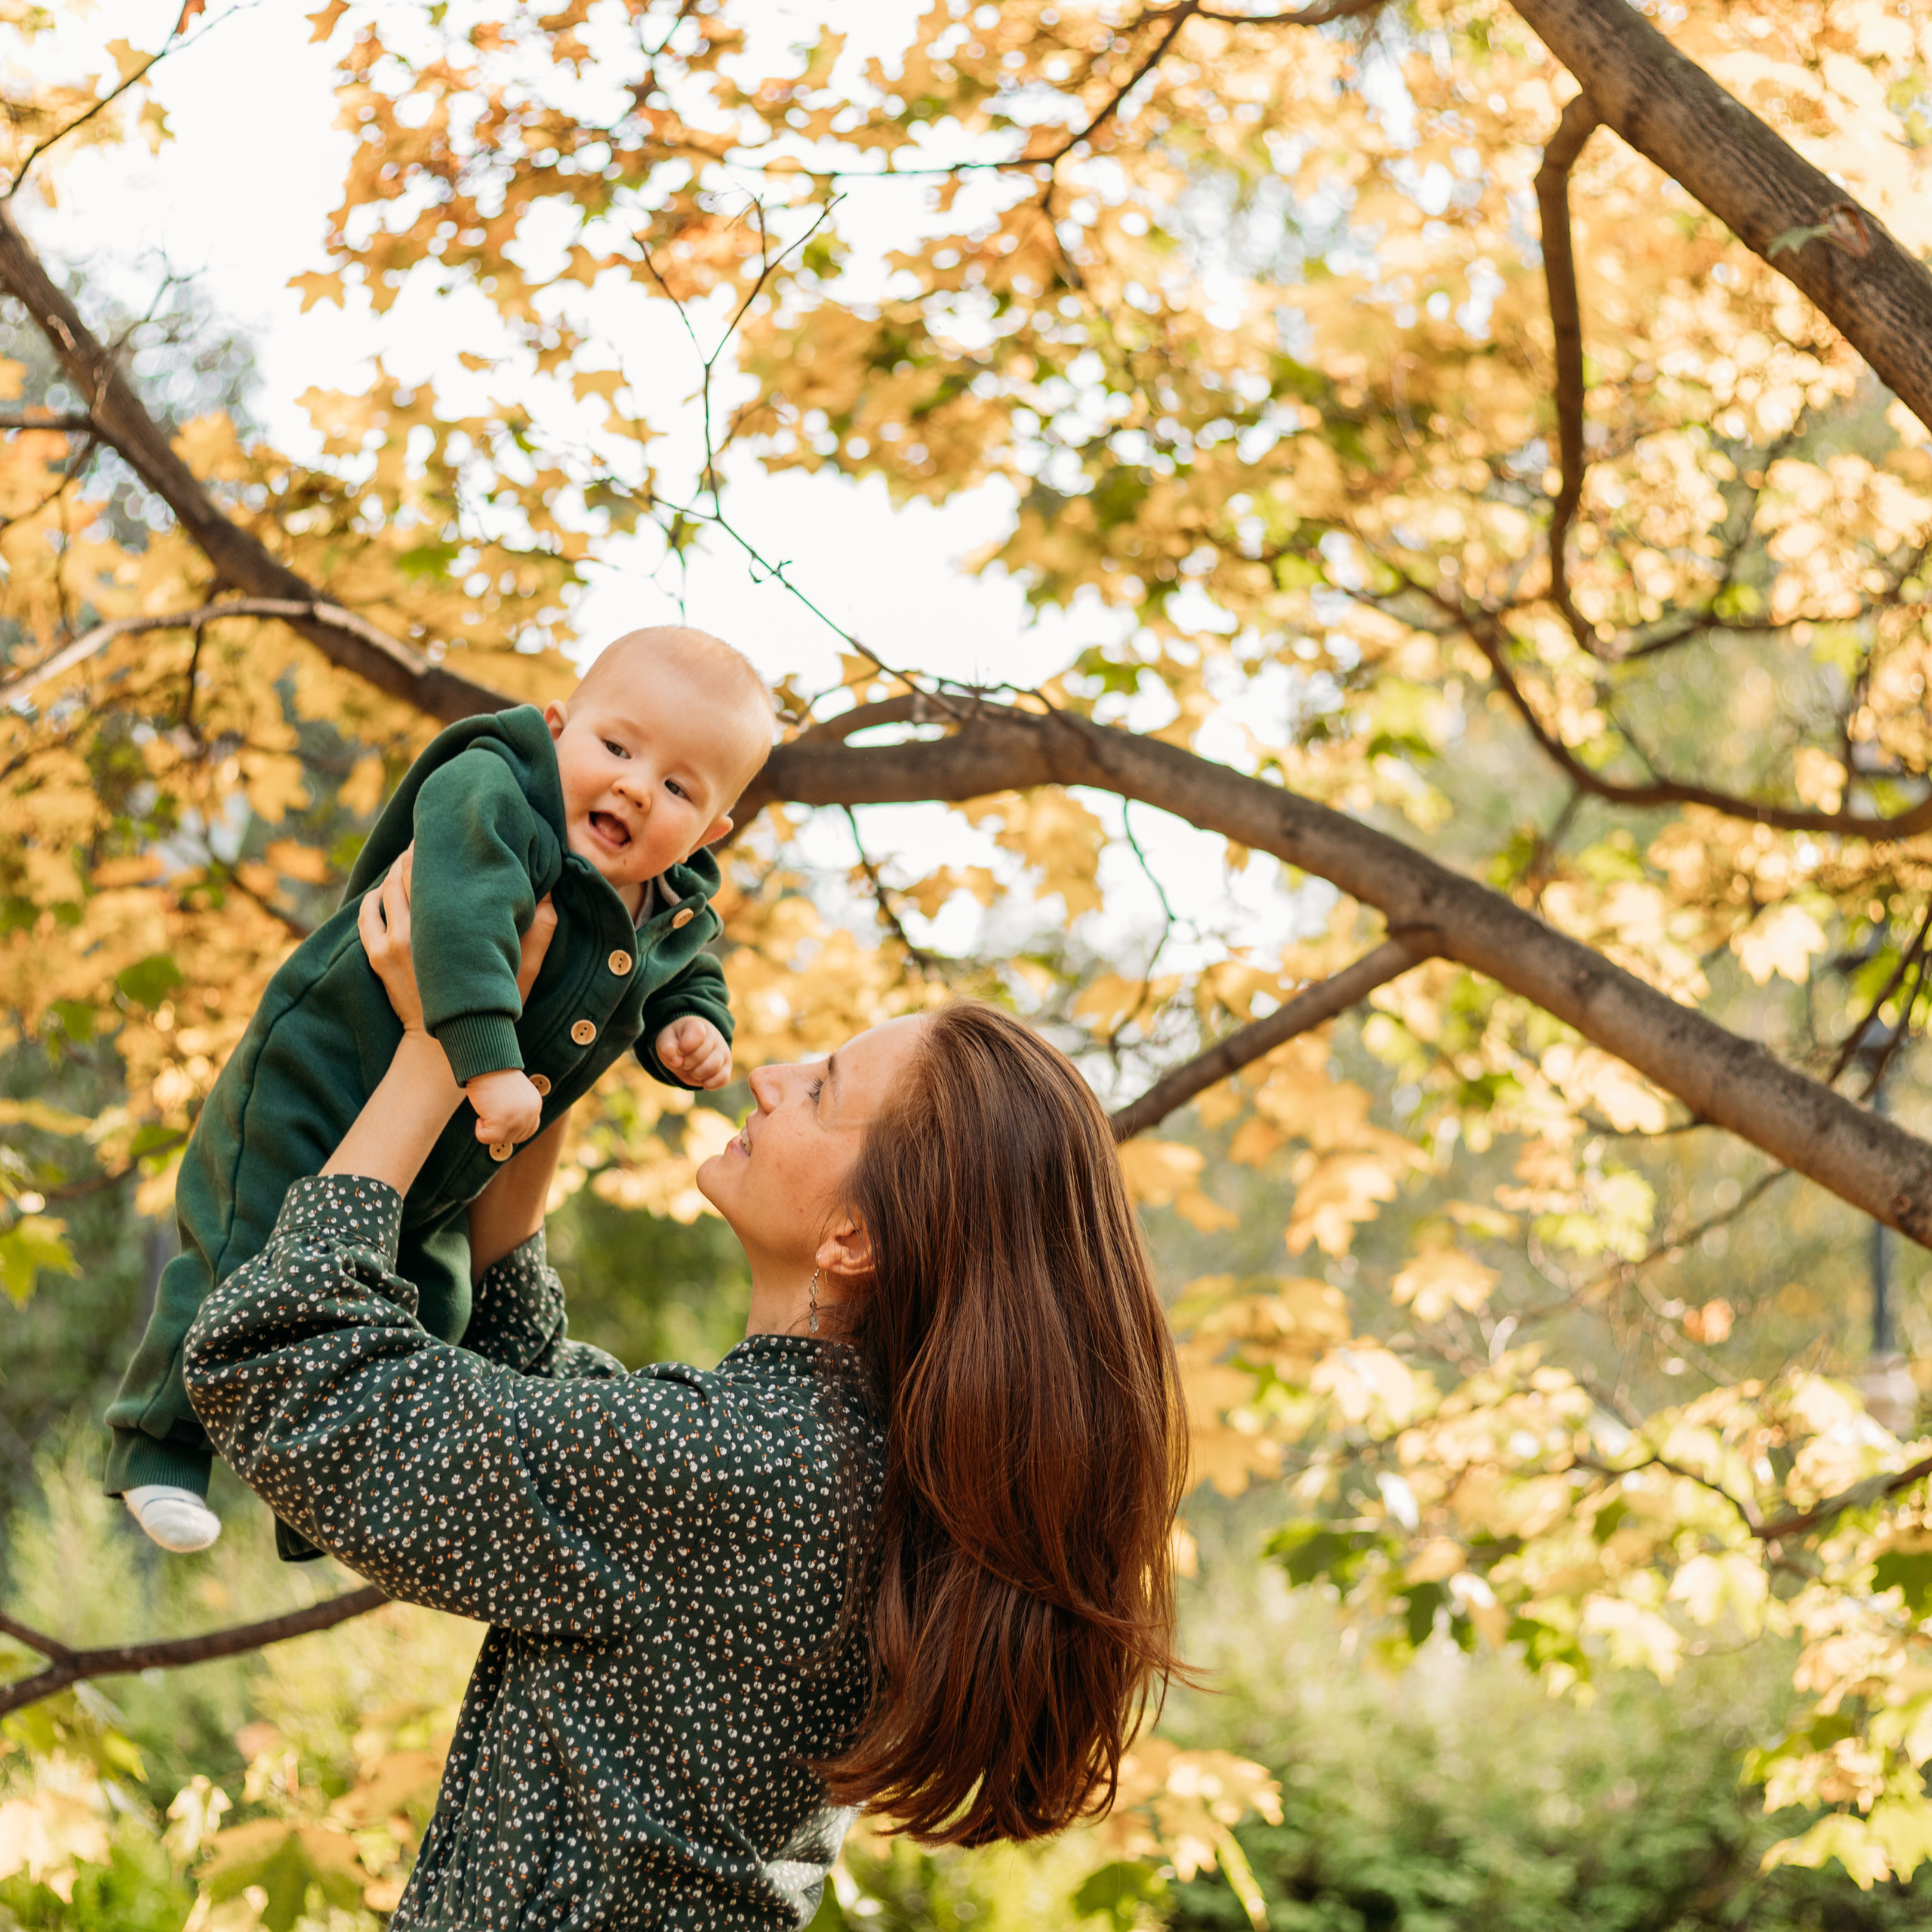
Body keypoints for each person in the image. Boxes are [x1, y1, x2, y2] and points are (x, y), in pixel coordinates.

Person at [180, 857, 1187, 1930]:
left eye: (823, 1089)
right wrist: (547, 1044)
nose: (771, 1075)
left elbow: (283, 1370)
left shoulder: (747, 1469)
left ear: (856, 1239)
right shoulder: (838, 1460)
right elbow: (535, 1399)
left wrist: (434, 1051)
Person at [108, 626, 774, 1557]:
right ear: (556, 727)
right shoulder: (493, 793)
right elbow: (457, 923)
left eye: (676, 786)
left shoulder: (669, 898)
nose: (633, 785)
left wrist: (689, 1029)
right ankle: (156, 1442)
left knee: (435, 1308)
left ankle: (322, 1492)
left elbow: (685, 973)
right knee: (245, 1251)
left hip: (447, 1161)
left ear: (709, 832)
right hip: (326, 1076)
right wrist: (488, 1061)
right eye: (617, 748)